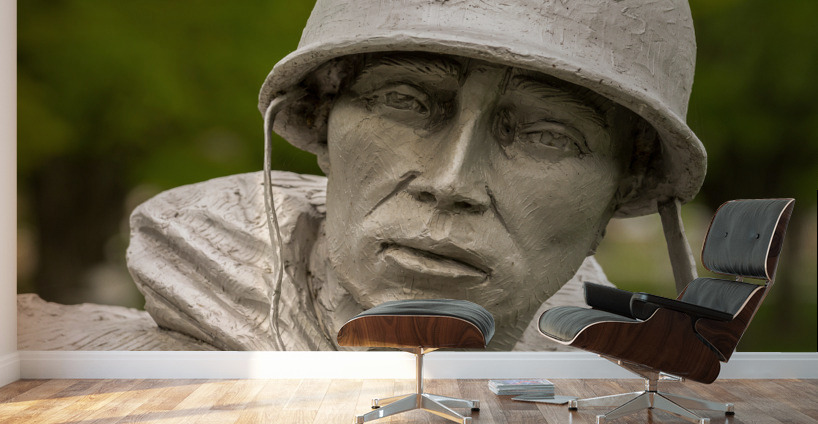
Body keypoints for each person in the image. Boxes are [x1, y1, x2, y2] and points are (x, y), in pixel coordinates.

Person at [126, 0, 706, 351]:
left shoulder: (589, 345)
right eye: (404, 101)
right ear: (323, 119)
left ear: (625, 185)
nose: (452, 183)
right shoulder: (201, 272)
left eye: (546, 136)